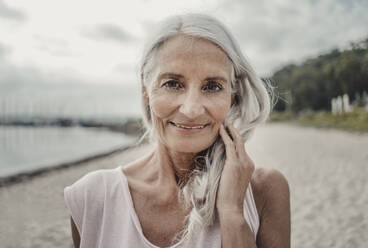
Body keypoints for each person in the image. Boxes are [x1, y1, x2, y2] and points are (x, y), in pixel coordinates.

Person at [64, 13, 290, 248]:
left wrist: (232, 214)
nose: (191, 110)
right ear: (145, 89)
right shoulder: (92, 197)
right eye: (172, 84)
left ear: (232, 97)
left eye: (212, 86)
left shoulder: (265, 191)